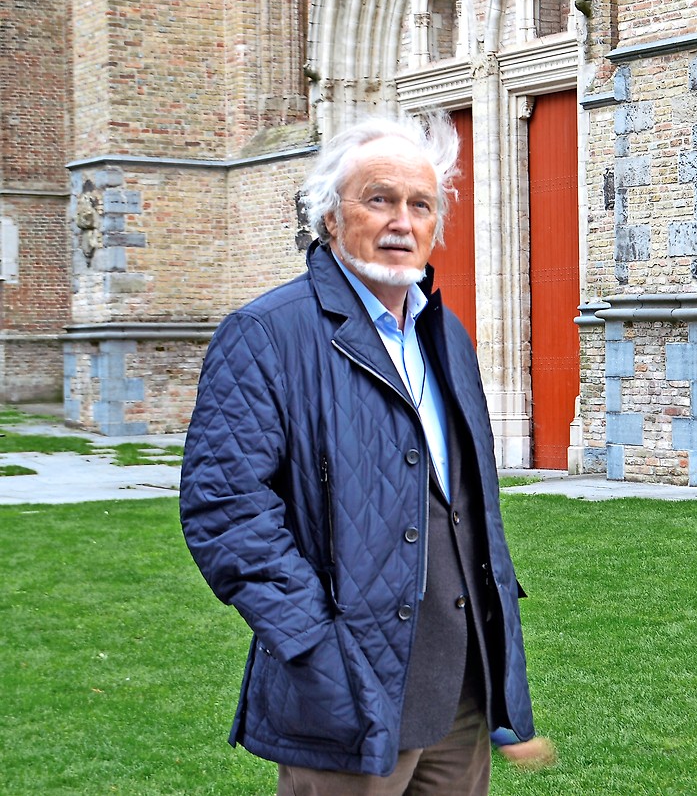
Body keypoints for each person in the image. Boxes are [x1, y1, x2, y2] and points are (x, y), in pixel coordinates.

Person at [180, 113, 536, 795]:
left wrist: (494, 669)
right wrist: (317, 648)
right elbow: (225, 510)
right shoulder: (265, 334)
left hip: (459, 690)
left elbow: (461, 505)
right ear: (329, 216)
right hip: (347, 697)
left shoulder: (445, 335)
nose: (402, 221)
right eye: (379, 199)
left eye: (421, 204)